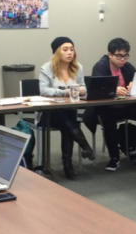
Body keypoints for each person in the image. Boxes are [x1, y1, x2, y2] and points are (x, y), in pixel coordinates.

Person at [83, 38, 136, 171]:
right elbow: (95, 90)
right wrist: (113, 90)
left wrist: (135, 84)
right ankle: (114, 157)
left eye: (125, 55)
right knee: (107, 116)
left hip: (125, 105)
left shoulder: (127, 66)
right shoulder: (101, 66)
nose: (122, 59)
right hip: (106, 107)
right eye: (119, 56)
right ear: (110, 54)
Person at [39, 37, 95, 179]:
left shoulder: (77, 67)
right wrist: (65, 92)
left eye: (71, 49)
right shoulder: (47, 68)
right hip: (49, 113)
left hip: (69, 110)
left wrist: (81, 91)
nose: (69, 52)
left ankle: (69, 164)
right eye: (65, 49)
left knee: (67, 121)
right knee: (68, 120)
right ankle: (83, 149)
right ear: (57, 52)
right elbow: (44, 91)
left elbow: (83, 87)